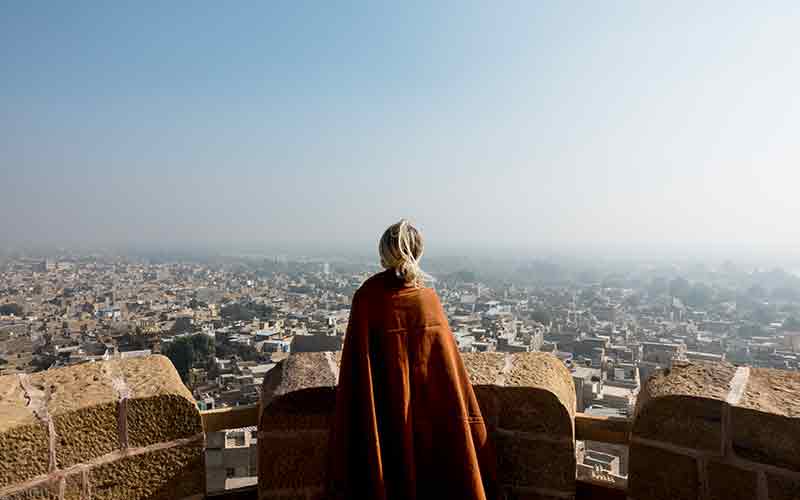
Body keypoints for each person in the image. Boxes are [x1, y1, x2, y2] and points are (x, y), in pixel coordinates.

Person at [326, 220, 496, 500]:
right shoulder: (427, 300)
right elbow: (446, 370)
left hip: (382, 413)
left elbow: (358, 366)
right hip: (431, 416)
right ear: (418, 252)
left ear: (384, 253)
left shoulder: (368, 298)